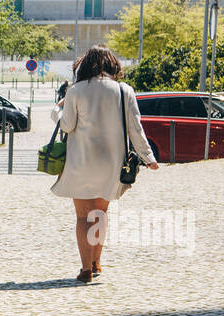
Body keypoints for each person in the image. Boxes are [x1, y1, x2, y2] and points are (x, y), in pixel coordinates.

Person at [50, 46, 158, 283]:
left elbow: (66, 126)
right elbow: (135, 129)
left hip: (81, 161)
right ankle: (97, 263)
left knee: (82, 217)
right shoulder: (124, 90)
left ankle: (85, 268)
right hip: (111, 162)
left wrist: (55, 112)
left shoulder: (76, 91)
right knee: (100, 214)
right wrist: (148, 157)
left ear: (85, 65)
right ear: (112, 65)